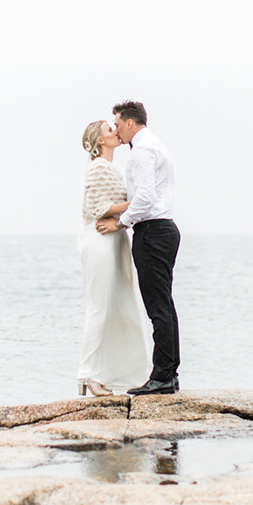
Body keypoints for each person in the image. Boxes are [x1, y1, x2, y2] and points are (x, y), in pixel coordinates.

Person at [96, 100, 181, 396]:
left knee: (158, 307)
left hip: (153, 232)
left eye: (118, 124)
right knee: (163, 305)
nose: (116, 131)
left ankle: (163, 376)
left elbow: (144, 198)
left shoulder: (143, 150)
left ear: (130, 123)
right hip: (162, 229)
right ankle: (167, 373)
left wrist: (119, 223)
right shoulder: (153, 145)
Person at [77, 119, 151, 396]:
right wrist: (138, 202)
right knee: (100, 307)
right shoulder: (97, 168)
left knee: (121, 307)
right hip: (102, 241)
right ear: (99, 141)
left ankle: (121, 373)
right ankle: (89, 374)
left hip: (117, 238)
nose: (115, 131)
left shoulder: (111, 168)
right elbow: (98, 208)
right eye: (110, 130)